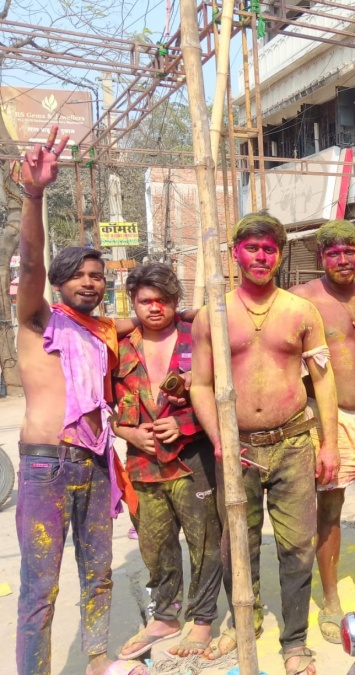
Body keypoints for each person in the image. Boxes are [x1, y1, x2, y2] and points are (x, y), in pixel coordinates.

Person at [14, 127, 147, 675]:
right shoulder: (37, 321)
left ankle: (96, 660)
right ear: (59, 282)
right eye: (79, 275)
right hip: (47, 464)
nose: (90, 283)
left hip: (94, 466)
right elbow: (29, 264)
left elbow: (153, 317)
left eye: (97, 276)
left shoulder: (102, 333)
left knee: (99, 573)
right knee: (39, 590)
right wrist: (35, 195)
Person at [190, 212, 339, 675]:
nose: (260, 257)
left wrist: (329, 444)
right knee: (239, 542)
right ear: (235, 252)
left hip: (294, 441)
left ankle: (295, 643)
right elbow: (198, 384)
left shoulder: (300, 311)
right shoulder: (211, 315)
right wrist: (219, 438)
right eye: (252, 248)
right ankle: (244, 622)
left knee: (297, 546)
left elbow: (323, 378)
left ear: (279, 254)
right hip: (238, 449)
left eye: (269, 249)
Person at [290, 219, 355, 644]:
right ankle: (331, 599)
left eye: (349, 251)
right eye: (333, 253)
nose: (342, 259)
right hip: (330, 420)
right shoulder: (303, 299)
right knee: (330, 510)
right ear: (321, 258)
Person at [113, 263, 222, 659]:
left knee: (206, 543)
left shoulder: (202, 335)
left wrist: (186, 423)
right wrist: (127, 432)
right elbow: (99, 403)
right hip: (143, 465)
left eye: (163, 300)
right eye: (145, 301)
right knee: (155, 547)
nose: (155, 308)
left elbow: (227, 392)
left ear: (176, 301)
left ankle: (204, 619)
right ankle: (166, 616)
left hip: (194, 460)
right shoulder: (119, 345)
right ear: (134, 303)